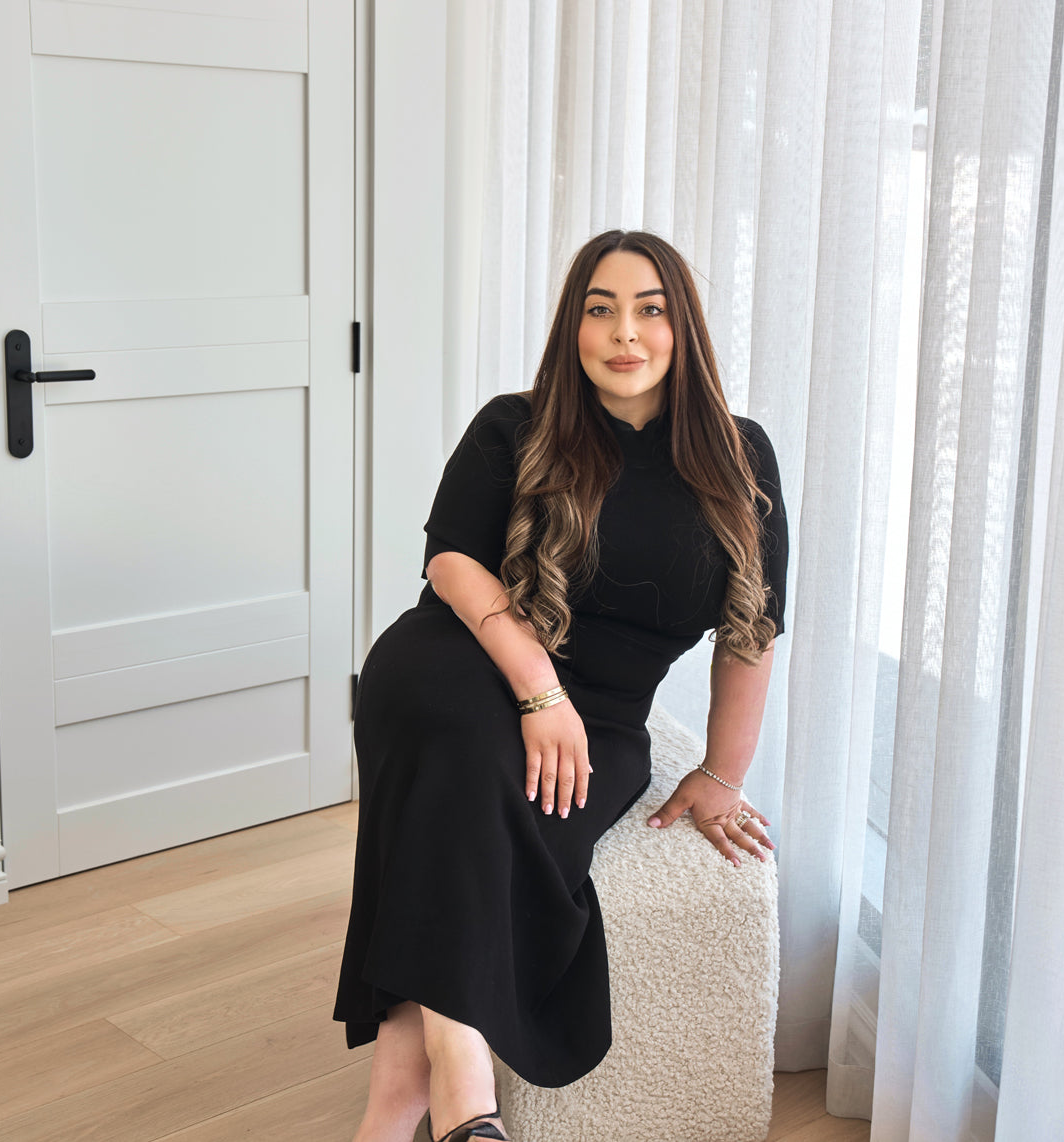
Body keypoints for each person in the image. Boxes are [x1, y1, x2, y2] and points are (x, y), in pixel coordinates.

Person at [333, 229, 788, 1142]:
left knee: (457, 804)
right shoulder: (517, 423)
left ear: (682, 327)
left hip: (605, 721)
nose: (626, 332)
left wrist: (722, 773)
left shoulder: (742, 457)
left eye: (650, 309)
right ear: (572, 326)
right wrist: (541, 694)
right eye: (601, 308)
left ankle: (393, 1107)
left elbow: (753, 629)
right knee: (467, 739)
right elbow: (454, 565)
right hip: (460, 662)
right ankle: (464, 1077)